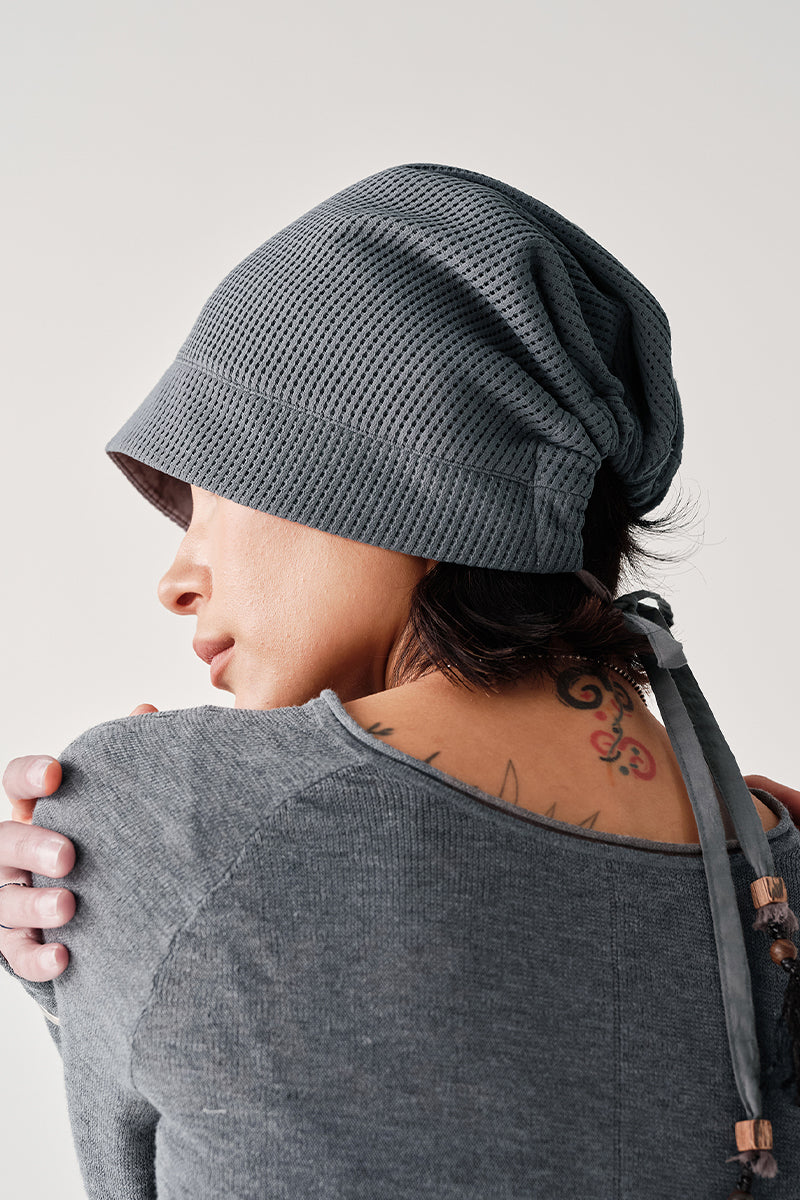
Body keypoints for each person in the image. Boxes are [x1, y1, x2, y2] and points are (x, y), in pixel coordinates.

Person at [1, 162, 799, 1199]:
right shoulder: (772, 866)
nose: (177, 579)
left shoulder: (170, 808)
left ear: (401, 481)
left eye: (212, 499)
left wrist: (115, 880)